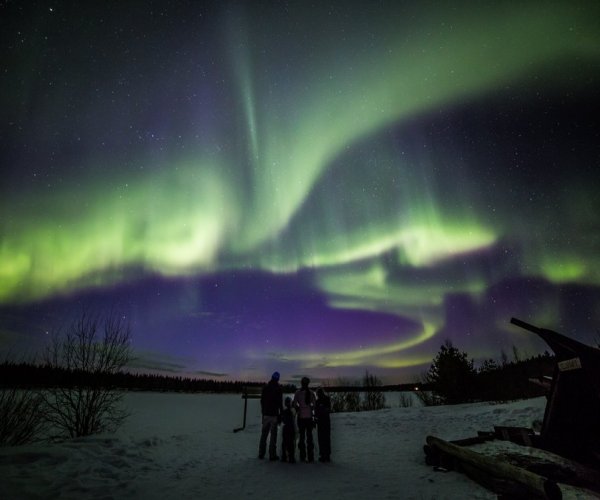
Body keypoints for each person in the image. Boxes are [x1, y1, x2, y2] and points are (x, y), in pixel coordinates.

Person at [258, 371, 283, 461]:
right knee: (273, 435)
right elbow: (280, 403)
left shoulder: (265, 388)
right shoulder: (279, 389)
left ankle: (261, 453)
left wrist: (263, 412)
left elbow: (262, 401)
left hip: (266, 414)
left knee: (264, 435)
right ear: (277, 379)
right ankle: (272, 455)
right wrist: (281, 414)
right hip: (274, 415)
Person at [293, 376, 316, 462]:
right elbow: (314, 405)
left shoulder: (298, 393)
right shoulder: (311, 393)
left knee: (302, 437)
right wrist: (310, 408)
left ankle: (302, 456)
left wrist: (299, 409)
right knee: (309, 437)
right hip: (309, 417)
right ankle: (310, 457)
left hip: (301, 418)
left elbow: (295, 405)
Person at [315, 387, 331, 462]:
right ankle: (325, 455)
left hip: (323, 421)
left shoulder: (321, 400)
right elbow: (316, 412)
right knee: (324, 438)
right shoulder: (320, 400)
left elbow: (328, 409)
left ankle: (325, 455)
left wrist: (321, 410)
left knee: (323, 438)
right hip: (323, 421)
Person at [280, 396, 296, 463]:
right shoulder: (293, 410)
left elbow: (283, 420)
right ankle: (291, 457)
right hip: (291, 427)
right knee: (291, 442)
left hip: (286, 428)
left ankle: (284, 456)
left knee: (285, 442)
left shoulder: (284, 411)